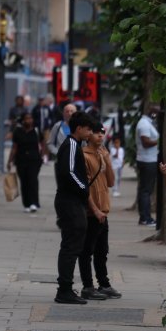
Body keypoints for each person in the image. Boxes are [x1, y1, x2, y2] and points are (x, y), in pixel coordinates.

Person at [53, 111, 96, 305]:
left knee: (72, 244)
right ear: (79, 129)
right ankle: (65, 289)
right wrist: (84, 189)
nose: (90, 133)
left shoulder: (75, 145)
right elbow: (68, 172)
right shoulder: (71, 145)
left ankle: (66, 287)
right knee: (71, 245)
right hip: (69, 201)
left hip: (71, 201)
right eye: (88, 129)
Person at [79, 120, 121, 300]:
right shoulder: (84, 155)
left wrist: (108, 161)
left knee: (102, 250)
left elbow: (111, 182)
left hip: (103, 210)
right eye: (97, 133)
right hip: (92, 211)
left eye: (102, 133)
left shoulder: (102, 154)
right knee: (87, 249)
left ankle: (104, 283)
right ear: (89, 135)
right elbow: (85, 187)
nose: (100, 136)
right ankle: (88, 286)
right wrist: (94, 209)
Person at [7, 112, 44, 212]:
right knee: (24, 182)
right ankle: (26, 204)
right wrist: (9, 161)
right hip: (21, 160)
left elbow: (42, 144)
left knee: (33, 180)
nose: (29, 120)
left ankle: (34, 203)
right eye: (27, 119)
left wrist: (43, 157)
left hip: (34, 160)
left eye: (30, 118)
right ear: (23, 120)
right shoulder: (17, 132)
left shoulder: (36, 131)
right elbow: (14, 147)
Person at [135, 103, 161, 226]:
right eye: (156, 111)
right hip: (147, 160)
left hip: (148, 159)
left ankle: (145, 217)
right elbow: (145, 142)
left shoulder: (148, 123)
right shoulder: (144, 124)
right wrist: (159, 141)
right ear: (152, 111)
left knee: (145, 190)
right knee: (146, 190)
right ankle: (145, 218)